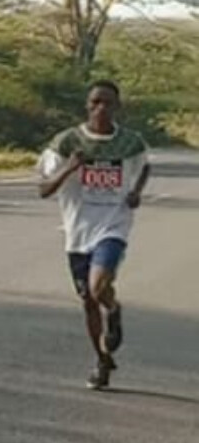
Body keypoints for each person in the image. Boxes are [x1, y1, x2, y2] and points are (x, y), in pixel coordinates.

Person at [37, 78, 150, 390]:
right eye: (95, 102)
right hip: (78, 231)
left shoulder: (130, 143)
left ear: (117, 107)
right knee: (88, 301)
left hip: (113, 225)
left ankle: (113, 308)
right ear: (87, 105)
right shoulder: (66, 142)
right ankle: (102, 361)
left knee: (98, 286)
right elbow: (44, 190)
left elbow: (144, 167)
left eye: (107, 103)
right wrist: (69, 168)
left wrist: (136, 192)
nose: (101, 108)